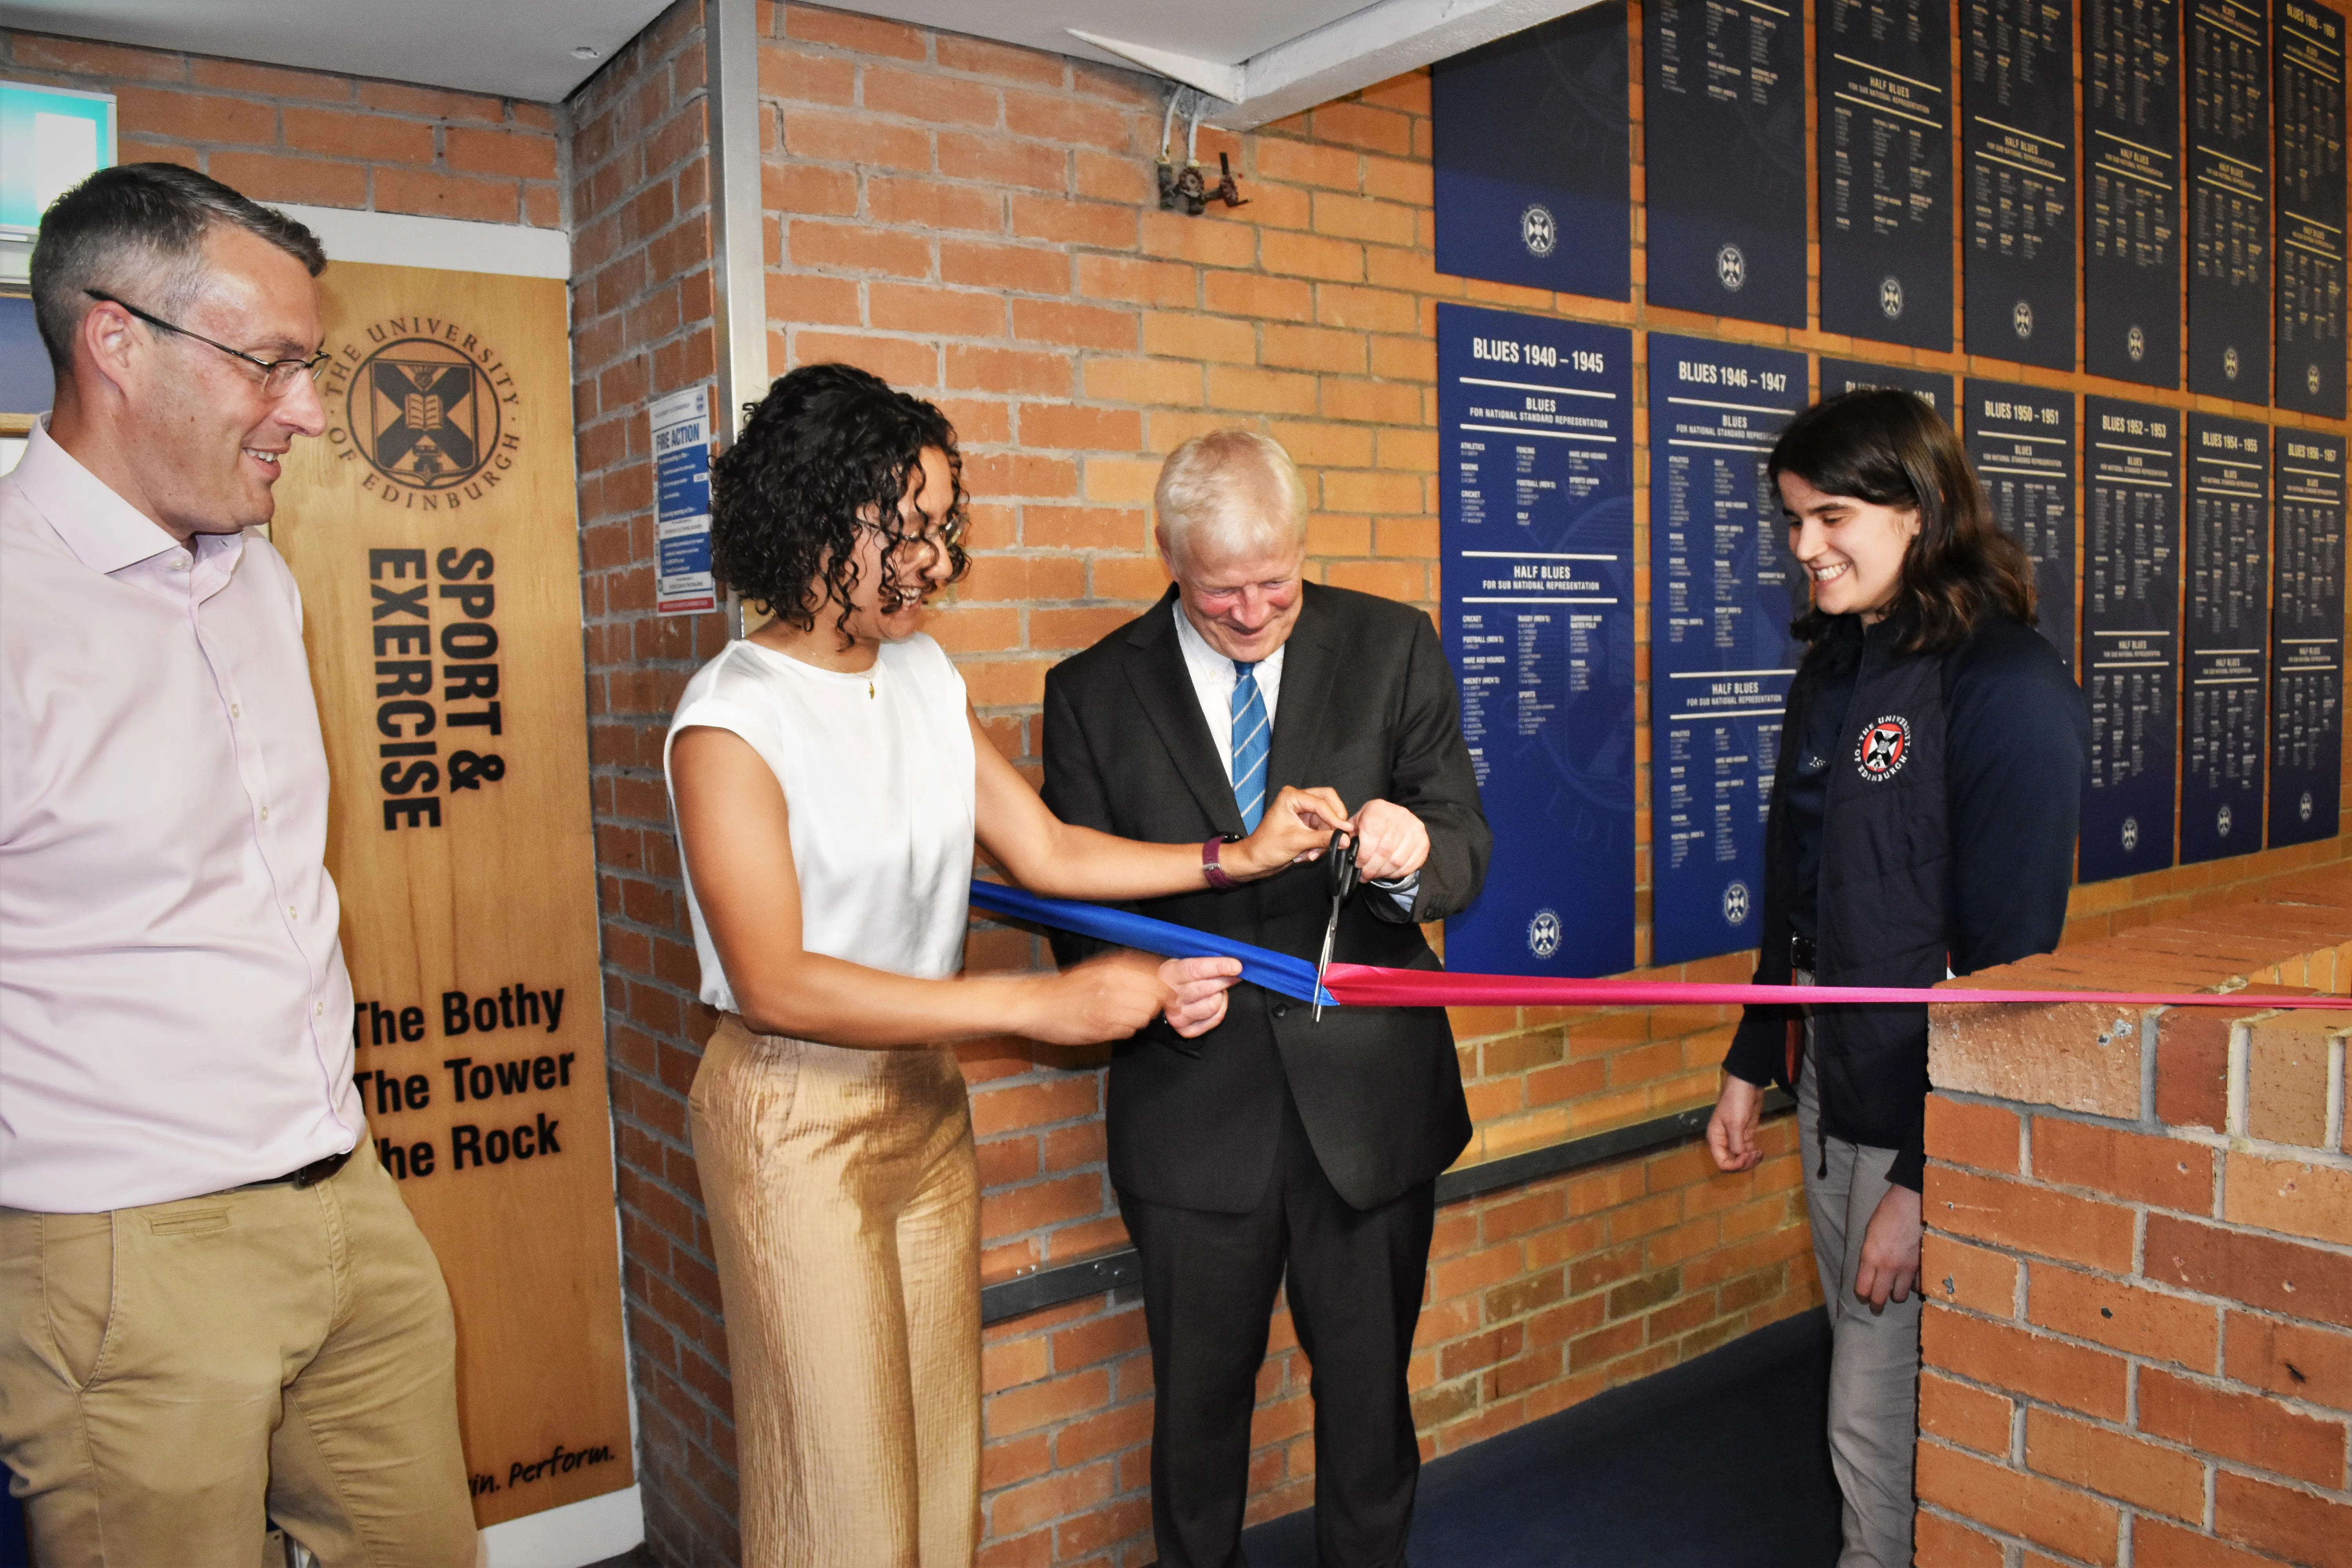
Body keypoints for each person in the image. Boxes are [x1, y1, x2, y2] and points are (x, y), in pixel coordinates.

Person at [666, 367, 1342, 1566]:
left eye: (943, 526)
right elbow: (774, 979)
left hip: (921, 1107)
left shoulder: (922, 675)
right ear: (816, 520)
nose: (937, 561)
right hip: (788, 1114)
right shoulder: (733, 716)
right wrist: (1046, 1001)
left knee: (935, 1468)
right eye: (907, 530)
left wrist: (1232, 860)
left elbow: (1046, 850)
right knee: (839, 1493)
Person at [0, 165, 477, 1564]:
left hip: (347, 1201)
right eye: (270, 365)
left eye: (310, 368)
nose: (312, 412)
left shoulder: (256, 576)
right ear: (115, 342)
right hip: (126, 1258)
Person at [1041, 428, 1492, 1566]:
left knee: (1370, 1412)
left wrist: (1407, 849)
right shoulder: (1091, 693)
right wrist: (1139, 986)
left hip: (1370, 1108)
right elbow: (1066, 906)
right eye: (1220, 591)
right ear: (1165, 557)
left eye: (1276, 584)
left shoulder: (1393, 647)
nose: (1251, 612)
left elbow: (1466, 850)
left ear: (1303, 543)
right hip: (1194, 1116)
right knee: (1196, 1428)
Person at [1704, 390, 2086, 1567]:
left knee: (1872, 1424)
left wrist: (1924, 1180)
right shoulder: (1835, 665)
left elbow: (2012, 969)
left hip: (1924, 1118)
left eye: (1828, 517)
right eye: (1791, 521)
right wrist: (1750, 1057)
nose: (1803, 546)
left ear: (1914, 511)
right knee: (1875, 1405)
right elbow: (1801, 887)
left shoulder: (2005, 682)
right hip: (1831, 1089)